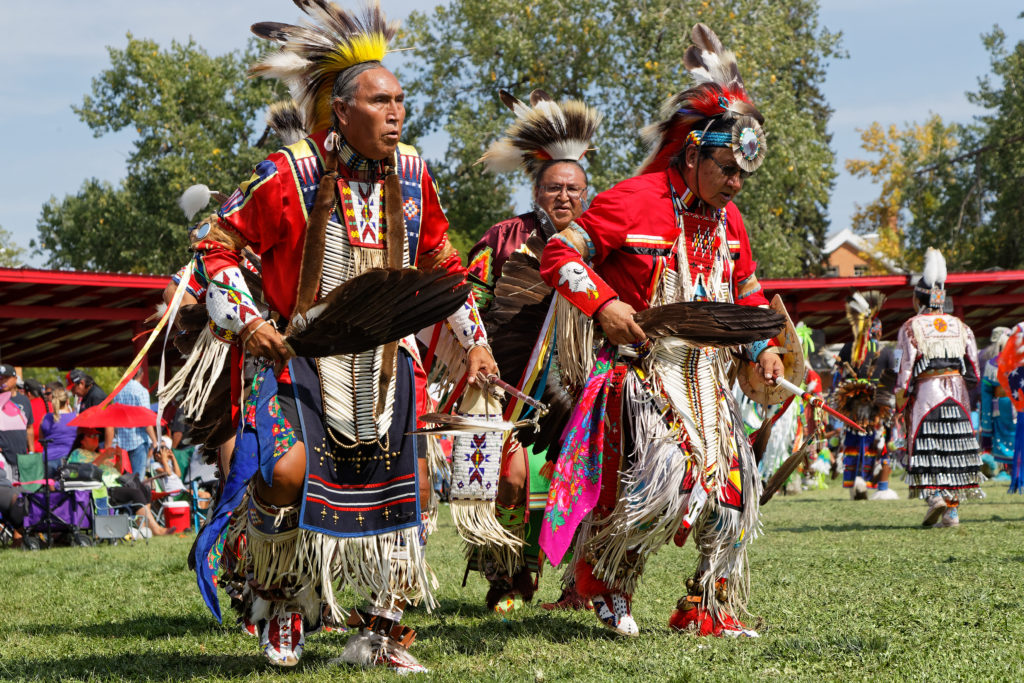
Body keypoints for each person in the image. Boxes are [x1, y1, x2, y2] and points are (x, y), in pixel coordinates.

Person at [172, 2, 496, 671]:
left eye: (401, 100)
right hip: (301, 353)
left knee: (416, 489)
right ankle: (279, 596)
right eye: (381, 101)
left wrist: (476, 338)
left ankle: (381, 627)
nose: (397, 113)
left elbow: (441, 262)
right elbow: (219, 244)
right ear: (341, 111)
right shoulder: (286, 173)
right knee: (286, 473)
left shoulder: (412, 175)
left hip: (387, 355)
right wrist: (250, 319)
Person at [537, 24, 783, 638]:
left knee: (731, 497)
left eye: (742, 176)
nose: (735, 185)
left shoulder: (731, 223)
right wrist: (603, 305)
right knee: (659, 488)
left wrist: (764, 346)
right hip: (641, 378)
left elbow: (745, 292)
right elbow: (560, 255)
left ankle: (705, 606)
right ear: (694, 153)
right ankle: (605, 585)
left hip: (708, 378)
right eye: (726, 169)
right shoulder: (635, 200)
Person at [460, 89, 599, 613]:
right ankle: (506, 575)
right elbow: (467, 298)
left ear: (585, 194)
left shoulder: (597, 242)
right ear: (537, 190)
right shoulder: (505, 236)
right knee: (507, 477)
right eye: (553, 188)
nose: (563, 197)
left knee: (584, 478)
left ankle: (579, 584)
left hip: (580, 376)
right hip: (507, 376)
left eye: (573, 189)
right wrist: (475, 351)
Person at [895, 248, 983, 527]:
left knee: (928, 444)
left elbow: (904, 368)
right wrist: (962, 389)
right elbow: (974, 369)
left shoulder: (911, 326)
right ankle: (952, 512)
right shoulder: (961, 326)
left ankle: (935, 498)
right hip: (957, 394)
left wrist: (901, 397)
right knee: (954, 448)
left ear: (917, 299)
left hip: (926, 394)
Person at [103, 367, 156, 478]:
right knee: (137, 480)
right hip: (138, 440)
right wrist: (155, 441)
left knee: (124, 480)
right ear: (141, 375)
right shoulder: (142, 391)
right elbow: (146, 419)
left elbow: (114, 417)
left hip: (121, 442)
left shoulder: (118, 390)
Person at [38, 384, 78, 474]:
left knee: (51, 486)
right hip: (70, 458)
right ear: (67, 401)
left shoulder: (45, 418)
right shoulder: (76, 418)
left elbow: (41, 439)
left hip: (49, 458)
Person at [0, 364, 29, 480]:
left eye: (6, 377)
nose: (3, 381)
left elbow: (30, 426)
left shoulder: (24, 400)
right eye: (0, 378)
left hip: (21, 456)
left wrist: (31, 451)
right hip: (3, 457)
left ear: (15, 379)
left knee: (21, 492)